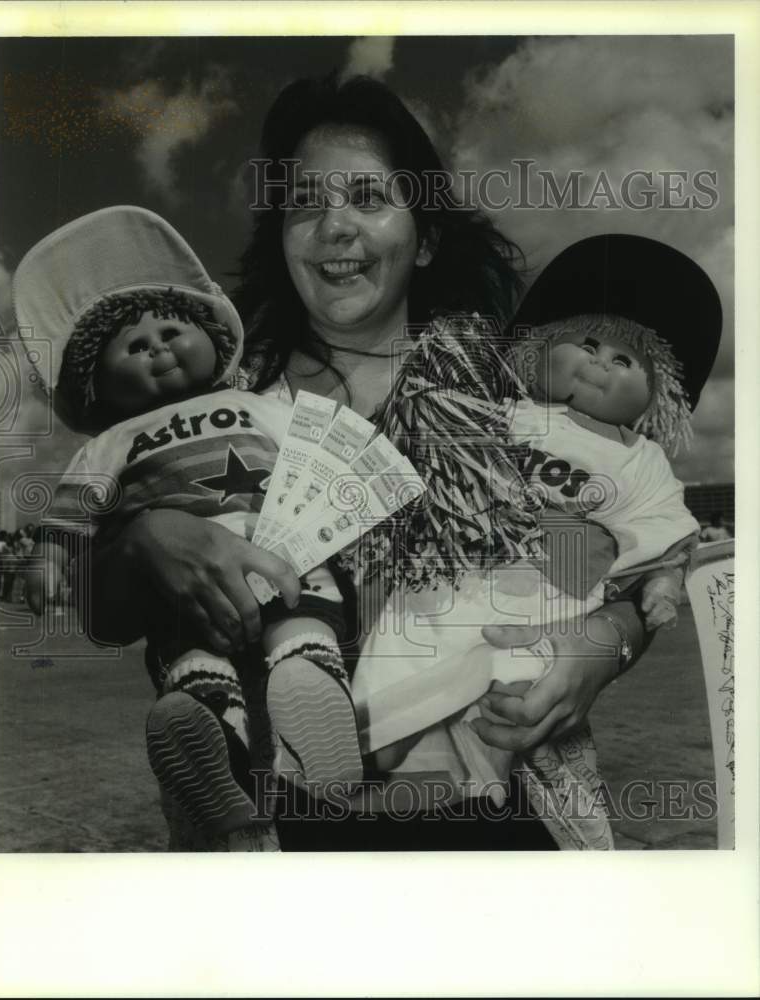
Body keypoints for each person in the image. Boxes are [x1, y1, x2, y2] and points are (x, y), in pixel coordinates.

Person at [82, 75, 659, 851]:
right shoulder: (217, 405)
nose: (334, 227)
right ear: (280, 236)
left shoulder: (515, 396)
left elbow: (638, 560)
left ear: (423, 238)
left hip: (505, 806)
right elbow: (103, 613)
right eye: (306, 203)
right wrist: (146, 537)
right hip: (283, 828)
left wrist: (602, 647)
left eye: (367, 198)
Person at [15, 205, 367, 851]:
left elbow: (328, 455)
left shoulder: (261, 404)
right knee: (192, 647)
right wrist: (49, 555)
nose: (157, 345)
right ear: (101, 385)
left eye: (171, 327)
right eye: (133, 345)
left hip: (279, 546)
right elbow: (74, 506)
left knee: (305, 602)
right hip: (185, 592)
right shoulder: (115, 441)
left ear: (211, 337)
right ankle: (208, 732)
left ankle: (308, 683)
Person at [351, 234, 720, 787]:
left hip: (554, 587)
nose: (600, 364)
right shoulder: (502, 411)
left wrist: (659, 587)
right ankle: (373, 735)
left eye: (624, 360)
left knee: (521, 670)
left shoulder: (639, 459)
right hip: (462, 567)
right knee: (404, 630)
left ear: (657, 395)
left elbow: (661, 528)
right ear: (540, 348)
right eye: (589, 344)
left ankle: (483, 760)